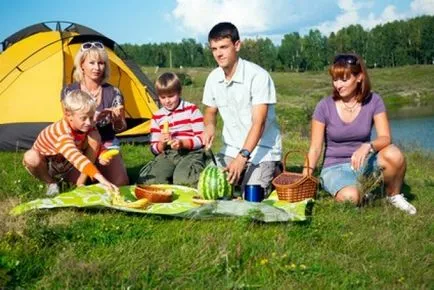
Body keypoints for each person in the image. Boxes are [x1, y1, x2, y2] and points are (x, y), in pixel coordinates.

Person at [305, 52, 416, 215]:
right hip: (334, 167)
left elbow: (385, 138)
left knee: (394, 154)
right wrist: (304, 179)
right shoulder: (324, 106)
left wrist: (368, 146)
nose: (338, 85)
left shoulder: (374, 101)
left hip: (365, 163)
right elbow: (315, 149)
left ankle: (393, 195)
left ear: (359, 77)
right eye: (335, 79)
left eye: (344, 79)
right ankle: (360, 192)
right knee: (351, 197)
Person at [202, 22, 282, 195]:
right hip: (230, 149)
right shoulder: (213, 78)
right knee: (213, 189)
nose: (219, 54)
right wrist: (209, 127)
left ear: (237, 45)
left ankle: (274, 169)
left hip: (262, 150)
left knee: (251, 195)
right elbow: (210, 111)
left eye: (223, 47)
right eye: (214, 49)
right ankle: (250, 175)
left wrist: (242, 157)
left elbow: (258, 123)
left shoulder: (258, 76)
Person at [23, 90, 119, 196]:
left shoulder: (86, 125)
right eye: (83, 118)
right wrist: (101, 179)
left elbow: (97, 145)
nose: (88, 122)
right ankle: (51, 182)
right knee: (31, 157)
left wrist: (102, 154)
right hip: (48, 164)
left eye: (91, 117)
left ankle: (78, 183)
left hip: (66, 163)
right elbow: (75, 157)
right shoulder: (60, 132)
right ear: (69, 115)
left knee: (95, 136)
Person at [61, 41, 129, 186]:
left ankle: (99, 170)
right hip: (79, 144)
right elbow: (66, 123)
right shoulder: (69, 91)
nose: (97, 68)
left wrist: (117, 121)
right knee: (73, 183)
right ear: (82, 65)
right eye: (92, 63)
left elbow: (120, 129)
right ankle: (85, 174)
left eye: (101, 63)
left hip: (106, 144)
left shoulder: (114, 92)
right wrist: (94, 120)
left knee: (121, 183)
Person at [137, 72, 207, 187]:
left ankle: (192, 173)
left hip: (190, 153)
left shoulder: (191, 110)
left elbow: (202, 139)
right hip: (168, 153)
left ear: (179, 92)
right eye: (163, 97)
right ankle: (169, 177)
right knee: (149, 182)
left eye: (171, 96)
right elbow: (154, 149)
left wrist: (183, 143)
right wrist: (161, 143)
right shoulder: (157, 117)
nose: (167, 101)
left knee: (184, 180)